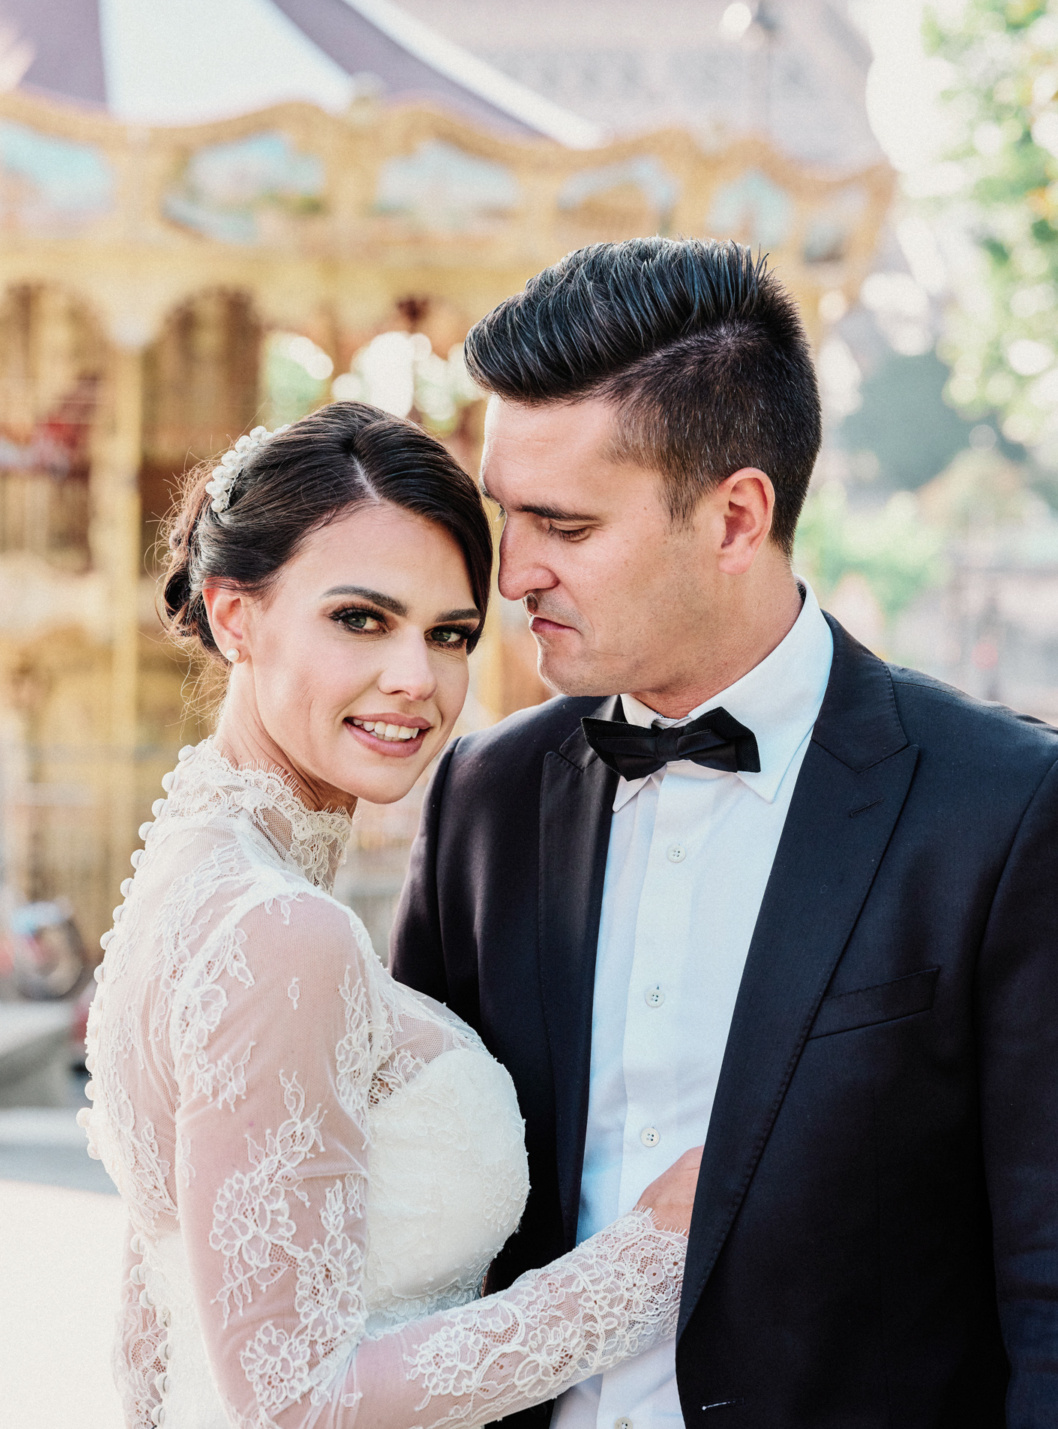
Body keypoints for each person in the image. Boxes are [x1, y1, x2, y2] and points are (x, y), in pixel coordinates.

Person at [392, 238, 1058, 1428]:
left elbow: (1049, 1287)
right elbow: (415, 1213)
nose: (512, 575)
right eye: (506, 515)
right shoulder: (481, 799)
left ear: (737, 516)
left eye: (564, 525)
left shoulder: (1003, 811)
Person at [81, 402, 701, 1429]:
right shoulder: (279, 934)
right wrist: (650, 1258)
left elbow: (150, 1330)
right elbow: (296, 1406)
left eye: (449, 633)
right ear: (236, 614)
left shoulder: (191, 878)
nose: (415, 679)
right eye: (359, 619)